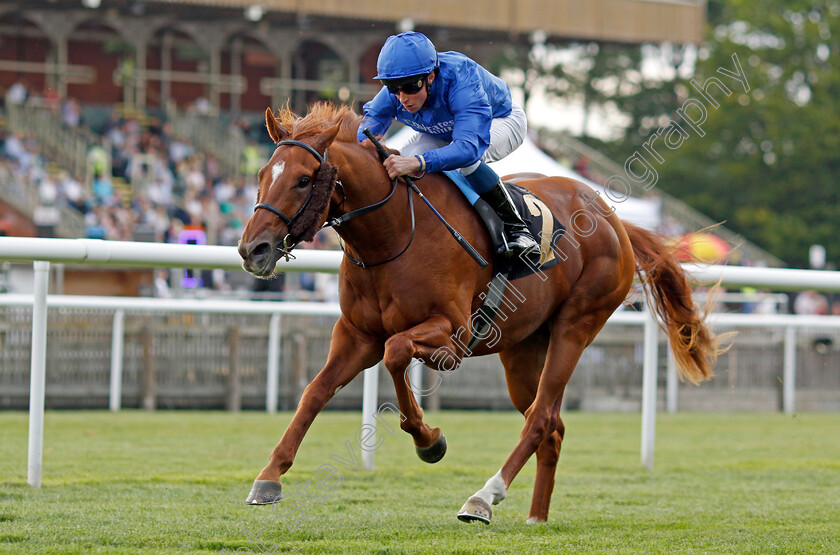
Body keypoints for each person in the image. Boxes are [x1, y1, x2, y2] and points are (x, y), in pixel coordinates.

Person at [357, 31, 539, 260]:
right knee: (406, 156)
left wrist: (419, 162)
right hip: (448, 130)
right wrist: (366, 145)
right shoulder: (401, 86)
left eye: (410, 87)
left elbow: (467, 148)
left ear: (431, 76)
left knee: (464, 164)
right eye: (393, 88)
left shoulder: (462, 79)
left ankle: (517, 228)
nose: (402, 98)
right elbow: (368, 126)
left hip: (500, 120)